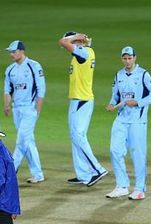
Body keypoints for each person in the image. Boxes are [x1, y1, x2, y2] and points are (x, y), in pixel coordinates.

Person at [105, 46, 151, 200]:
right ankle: (122, 186)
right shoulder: (119, 75)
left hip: (137, 120)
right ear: (122, 59)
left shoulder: (143, 74)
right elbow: (115, 96)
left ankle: (140, 188)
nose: (127, 61)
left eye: (130, 58)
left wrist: (138, 102)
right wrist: (111, 104)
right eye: (125, 58)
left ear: (135, 58)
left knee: (138, 154)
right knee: (115, 150)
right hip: (121, 119)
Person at [58, 32, 108, 186]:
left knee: (78, 136)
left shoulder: (84, 53)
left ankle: (98, 169)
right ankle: (83, 174)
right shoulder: (80, 54)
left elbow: (62, 42)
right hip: (78, 100)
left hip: (82, 100)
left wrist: (76, 37)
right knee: (75, 137)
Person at [4, 40, 46, 184]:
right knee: (28, 141)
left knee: (21, 139)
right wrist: (7, 105)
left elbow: (41, 88)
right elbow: (8, 90)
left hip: (30, 108)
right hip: (17, 109)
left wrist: (37, 109)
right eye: (10, 52)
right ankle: (38, 174)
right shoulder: (10, 69)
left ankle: (10, 172)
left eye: (14, 52)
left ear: (22, 51)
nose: (11, 54)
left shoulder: (34, 66)